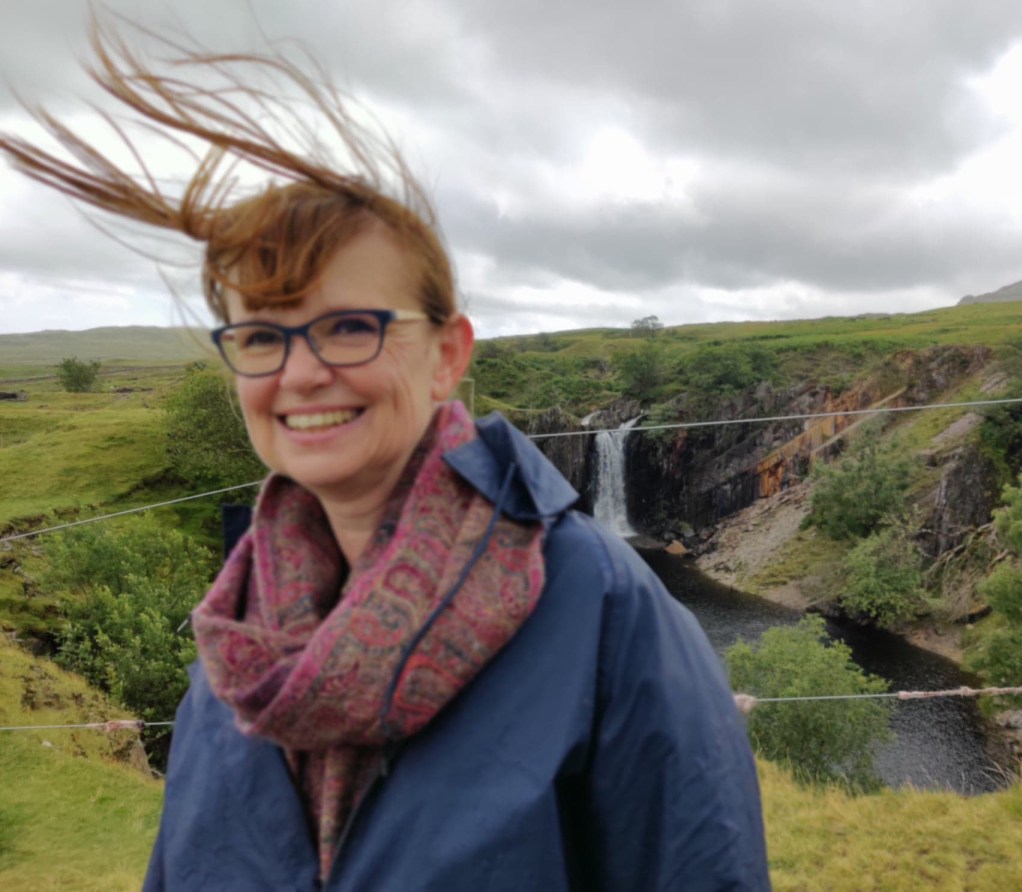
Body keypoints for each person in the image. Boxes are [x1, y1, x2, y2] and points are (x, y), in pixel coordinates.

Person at [0, 17, 769, 891]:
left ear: (448, 353)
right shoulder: (233, 643)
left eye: (349, 328)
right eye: (261, 337)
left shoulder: (603, 614)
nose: (300, 374)